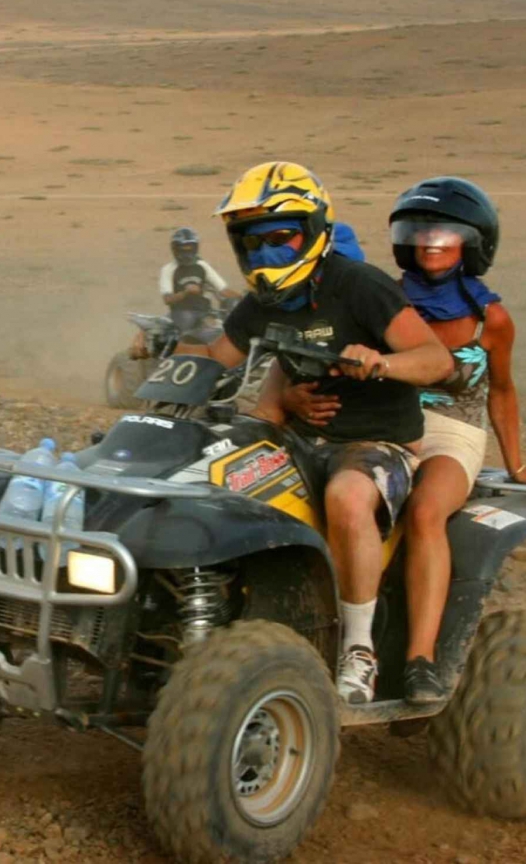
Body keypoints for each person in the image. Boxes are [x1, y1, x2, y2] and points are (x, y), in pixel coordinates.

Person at [172, 161, 453, 705]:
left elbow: (436, 358)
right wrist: (167, 359)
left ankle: (358, 650)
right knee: (207, 484)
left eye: (281, 239)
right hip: (298, 441)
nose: (265, 254)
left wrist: (382, 363)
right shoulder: (261, 305)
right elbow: (215, 360)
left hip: (378, 444)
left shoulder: (359, 286)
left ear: (315, 229)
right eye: (252, 244)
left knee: (346, 497)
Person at [285, 178, 526, 704]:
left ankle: (419, 661)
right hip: (384, 423)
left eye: (446, 233)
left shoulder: (490, 318)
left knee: (426, 511)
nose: (430, 242)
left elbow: (501, 390)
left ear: (473, 243)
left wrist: (516, 467)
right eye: (420, 231)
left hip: (452, 431)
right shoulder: (384, 297)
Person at [159, 226, 237, 335]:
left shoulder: (202, 266)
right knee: (188, 334)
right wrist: (185, 293)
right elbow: (167, 299)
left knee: (222, 331)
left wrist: (244, 298)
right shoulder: (168, 269)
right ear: (175, 249)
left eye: (189, 249)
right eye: (183, 249)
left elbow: (223, 290)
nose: (186, 253)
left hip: (205, 311)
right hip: (181, 312)